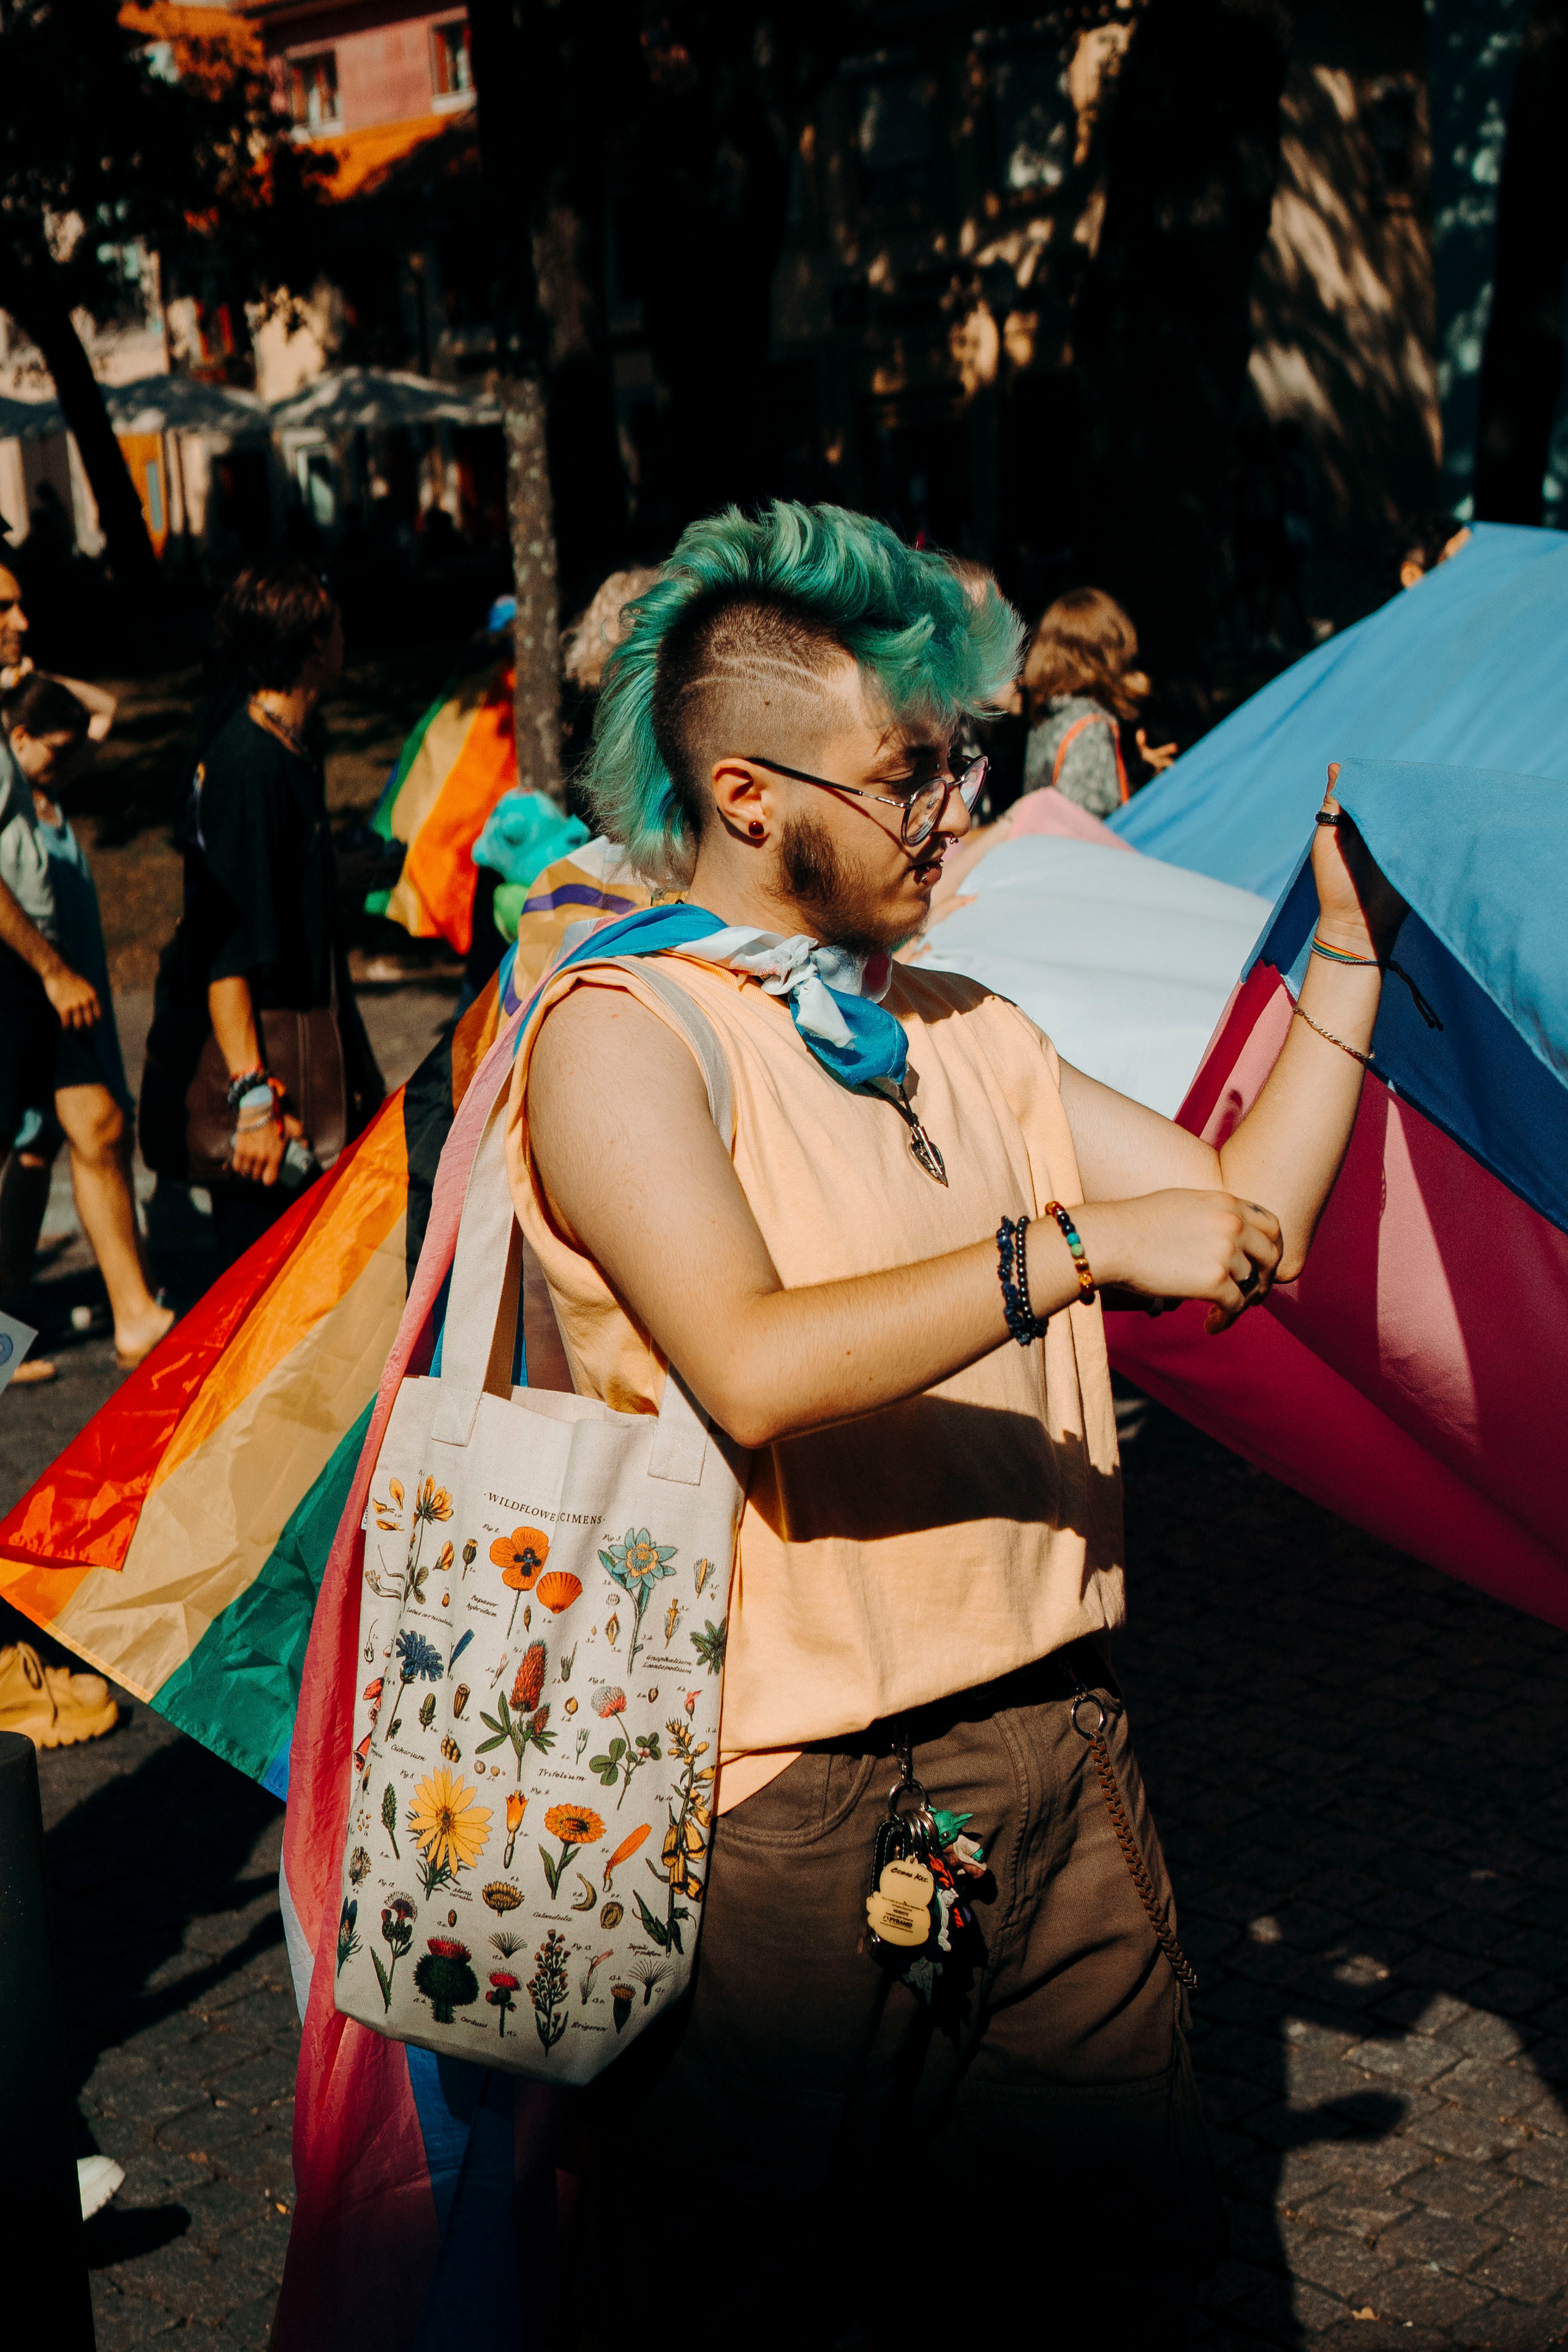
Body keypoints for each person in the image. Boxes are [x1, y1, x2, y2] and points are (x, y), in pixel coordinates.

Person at [503, 500, 1403, 2345]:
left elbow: (1247, 1225)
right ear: (749, 796)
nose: (951, 811)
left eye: (955, 764)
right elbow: (750, 1362)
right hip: (783, 1808)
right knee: (766, 2306)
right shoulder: (622, 1033)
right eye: (908, 774)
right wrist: (1066, 1244)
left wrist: (1348, 961)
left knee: (1109, 2286)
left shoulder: (965, 1027)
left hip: (1056, 1746)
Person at [140, 560, 383, 1269]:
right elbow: (224, 947)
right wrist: (251, 1101)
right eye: (336, 627)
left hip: (306, 1049)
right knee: (261, 1287)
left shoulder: (292, 748)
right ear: (311, 646)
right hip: (269, 1079)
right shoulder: (248, 766)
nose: (346, 639)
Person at [0, 674, 173, 1366]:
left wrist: (24, 673)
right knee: (30, 1146)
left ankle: (134, 1314)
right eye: (53, 747)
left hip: (52, 980)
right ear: (20, 737)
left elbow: (105, 710)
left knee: (90, 1129)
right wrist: (51, 971)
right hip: (25, 974)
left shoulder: (37, 786)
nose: (65, 760)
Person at [1021, 584, 1176, 815]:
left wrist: (1136, 771)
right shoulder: (1090, 727)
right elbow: (1091, 822)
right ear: (1104, 653)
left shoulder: (1047, 721)